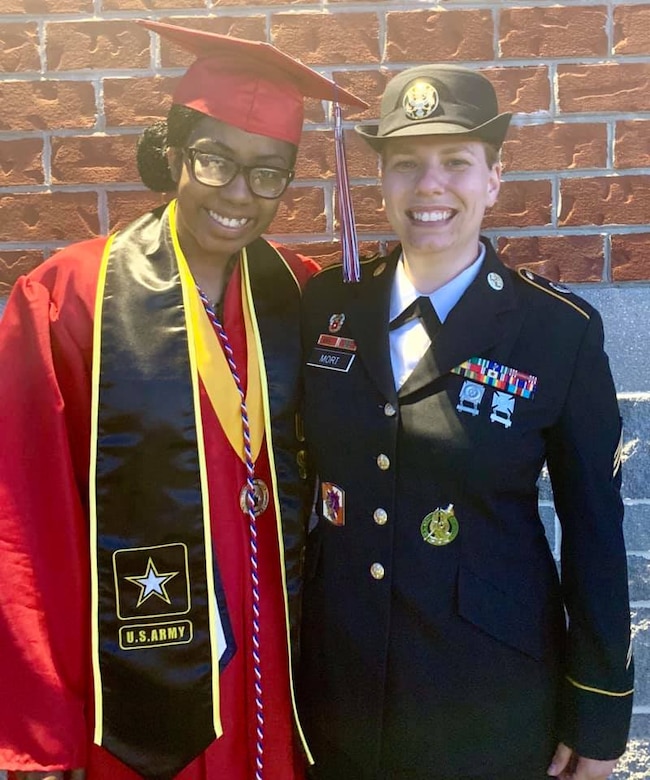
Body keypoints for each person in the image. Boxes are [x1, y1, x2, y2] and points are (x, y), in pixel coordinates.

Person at [0, 19, 365, 780]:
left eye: (269, 172)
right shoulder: (70, 297)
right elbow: (22, 516)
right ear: (172, 155)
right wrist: (41, 728)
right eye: (215, 160)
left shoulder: (298, 292)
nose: (240, 193)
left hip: (279, 652)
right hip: (140, 675)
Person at [298, 64, 634, 780]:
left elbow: (596, 531)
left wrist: (599, 712)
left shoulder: (556, 331)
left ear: (493, 178)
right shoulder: (324, 309)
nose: (430, 187)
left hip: (489, 700)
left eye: (456, 163)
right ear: (381, 181)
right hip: (339, 694)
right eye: (405, 165)